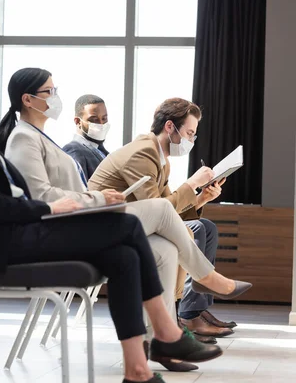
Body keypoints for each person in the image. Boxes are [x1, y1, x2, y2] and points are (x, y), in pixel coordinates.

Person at [0, 38, 224, 383]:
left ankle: (138, 370)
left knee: (124, 257)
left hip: (10, 234)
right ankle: (167, 335)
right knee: (127, 228)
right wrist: (50, 205)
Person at [0, 67, 253, 372]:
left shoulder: (40, 138)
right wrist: (101, 199)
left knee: (166, 250)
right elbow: (43, 197)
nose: (56, 97)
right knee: (159, 210)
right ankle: (206, 277)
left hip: (81, 221)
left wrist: (197, 198)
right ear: (28, 99)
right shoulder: (23, 138)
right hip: (65, 229)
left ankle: (159, 343)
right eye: (49, 92)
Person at [88, 97, 252, 340]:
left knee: (172, 244)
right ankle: (204, 279)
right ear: (169, 127)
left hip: (128, 224)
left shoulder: (160, 158)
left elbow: (168, 214)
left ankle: (167, 333)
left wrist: (201, 198)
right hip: (100, 227)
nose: (191, 141)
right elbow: (160, 208)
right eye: (189, 133)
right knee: (182, 234)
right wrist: (191, 184)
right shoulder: (143, 153)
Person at [62, 94, 110, 178]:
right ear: (78, 122)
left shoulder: (101, 151)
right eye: (94, 120)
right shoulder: (74, 150)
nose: (101, 124)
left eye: (104, 118)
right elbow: (77, 189)